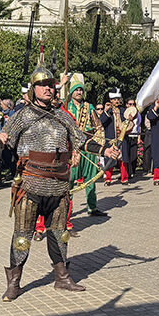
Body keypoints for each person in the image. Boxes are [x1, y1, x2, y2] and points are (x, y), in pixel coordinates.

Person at [0, 59, 121, 301]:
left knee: (60, 234)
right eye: (42, 85)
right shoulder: (21, 117)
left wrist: (105, 150)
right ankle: (14, 283)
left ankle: (62, 279)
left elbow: (81, 140)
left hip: (59, 184)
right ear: (33, 88)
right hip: (30, 183)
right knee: (22, 236)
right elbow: (6, 145)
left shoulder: (63, 117)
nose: (48, 88)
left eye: (51, 85)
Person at [65, 75, 107, 217]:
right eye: (76, 90)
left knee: (91, 179)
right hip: (72, 148)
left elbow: (98, 126)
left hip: (88, 146)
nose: (79, 92)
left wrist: (98, 145)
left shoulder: (89, 107)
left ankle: (92, 207)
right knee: (69, 180)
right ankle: (67, 212)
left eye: (81, 90)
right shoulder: (66, 106)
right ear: (71, 92)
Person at [101, 88, 130, 185]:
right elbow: (101, 122)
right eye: (114, 99)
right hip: (111, 138)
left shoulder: (123, 110)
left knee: (123, 159)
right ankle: (108, 179)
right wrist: (105, 111)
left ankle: (124, 178)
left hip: (122, 137)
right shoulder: (108, 111)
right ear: (110, 100)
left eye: (118, 99)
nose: (116, 101)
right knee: (110, 158)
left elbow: (128, 122)